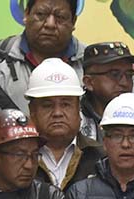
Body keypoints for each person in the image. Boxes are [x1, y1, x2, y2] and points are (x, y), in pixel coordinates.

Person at [0, 0, 86, 117]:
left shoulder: (89, 63)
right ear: (26, 14)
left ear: (73, 21)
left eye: (60, 17)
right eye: (41, 14)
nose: (50, 24)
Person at [26, 58, 105, 190]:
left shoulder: (101, 158)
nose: (57, 113)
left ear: (78, 108)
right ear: (32, 111)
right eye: (47, 105)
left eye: (65, 104)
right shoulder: (16, 160)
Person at [79, 41, 134, 142]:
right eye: (114, 74)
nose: (125, 82)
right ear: (89, 82)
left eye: (129, 74)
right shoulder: (72, 122)